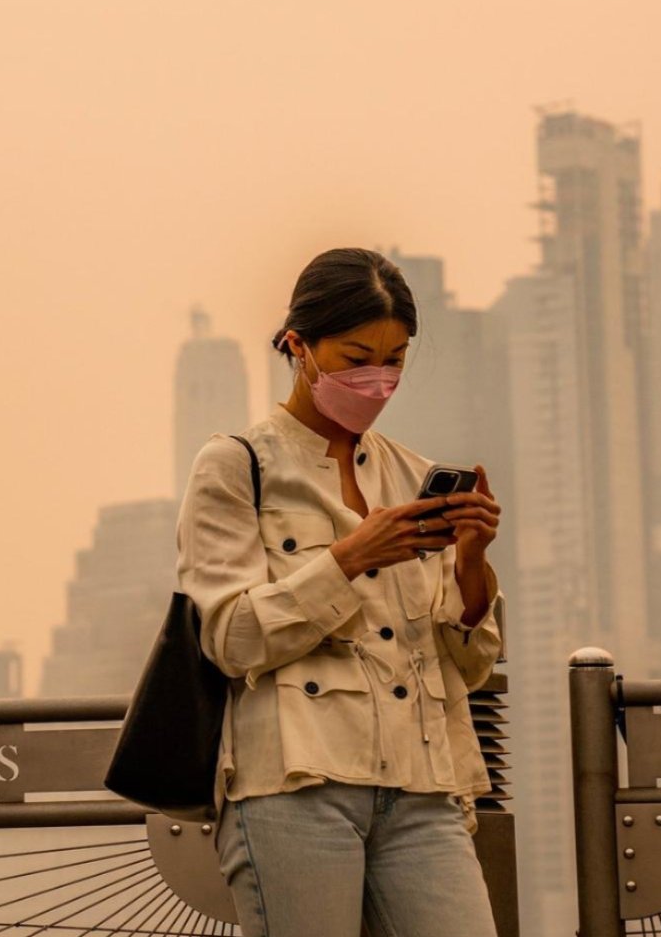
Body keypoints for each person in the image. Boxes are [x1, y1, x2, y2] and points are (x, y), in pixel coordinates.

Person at [177, 247, 503, 937]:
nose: (377, 381)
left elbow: (469, 666)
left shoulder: (412, 473)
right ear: (299, 346)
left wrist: (472, 562)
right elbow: (231, 640)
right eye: (357, 358)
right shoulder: (237, 466)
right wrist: (351, 559)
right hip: (294, 789)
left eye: (395, 361)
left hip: (423, 786)